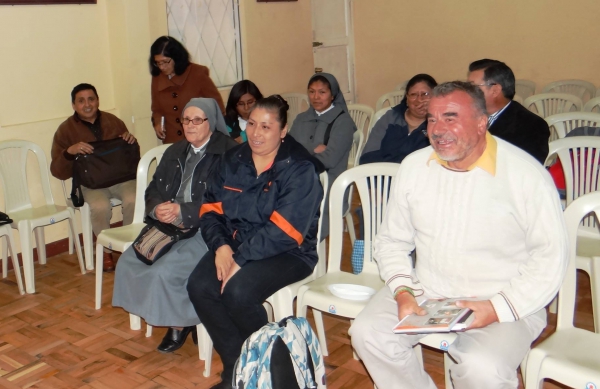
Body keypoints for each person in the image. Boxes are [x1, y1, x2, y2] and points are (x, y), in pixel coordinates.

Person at [349, 81, 568, 389]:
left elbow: (550, 260)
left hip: (504, 298)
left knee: (483, 368)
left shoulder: (525, 176)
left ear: (482, 123)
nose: (438, 129)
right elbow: (391, 242)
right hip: (428, 291)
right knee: (368, 333)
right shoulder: (414, 167)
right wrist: (403, 291)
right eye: (432, 119)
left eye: (450, 117)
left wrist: (495, 308)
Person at [187, 95, 324, 389]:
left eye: (266, 126)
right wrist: (222, 248)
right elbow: (210, 209)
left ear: (283, 131)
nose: (256, 133)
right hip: (236, 245)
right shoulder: (232, 160)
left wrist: (238, 259)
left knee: (237, 293)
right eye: (251, 124)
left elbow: (286, 231)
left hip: (289, 251)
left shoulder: (299, 167)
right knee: (199, 286)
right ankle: (238, 369)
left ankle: (277, 368)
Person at [112, 98, 237, 353]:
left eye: (197, 120)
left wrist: (184, 210)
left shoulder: (229, 153)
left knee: (165, 271)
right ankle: (166, 312)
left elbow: (229, 201)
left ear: (211, 122)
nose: (189, 126)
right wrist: (157, 207)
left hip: (209, 228)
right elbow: (154, 188)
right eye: (185, 120)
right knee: (128, 262)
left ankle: (178, 324)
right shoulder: (175, 151)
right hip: (170, 226)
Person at [50, 83, 138, 272]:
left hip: (120, 178)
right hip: (90, 183)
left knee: (134, 199)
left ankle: (127, 245)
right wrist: (69, 152)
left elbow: (129, 157)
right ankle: (105, 250)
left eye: (91, 99)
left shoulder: (113, 121)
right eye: (81, 101)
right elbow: (57, 171)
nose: (87, 104)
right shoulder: (65, 130)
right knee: (100, 206)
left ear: (98, 100)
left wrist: (130, 140)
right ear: (74, 105)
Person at [290, 72, 355, 237]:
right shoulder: (301, 118)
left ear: (332, 95)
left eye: (322, 92)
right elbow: (288, 149)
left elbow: (330, 159)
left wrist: (299, 160)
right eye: (311, 92)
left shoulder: (343, 122)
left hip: (330, 185)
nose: (316, 97)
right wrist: (312, 148)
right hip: (298, 180)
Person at [467, 59, 550, 164]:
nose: (467, 92)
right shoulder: (467, 116)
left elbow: (527, 169)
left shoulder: (532, 126)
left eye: (472, 87)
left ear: (495, 90)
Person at [150, 36, 225, 144]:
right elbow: (156, 109)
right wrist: (157, 123)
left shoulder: (197, 73)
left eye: (166, 62)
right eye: (158, 63)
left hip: (200, 140)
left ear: (176, 58)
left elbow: (218, 108)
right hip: (172, 142)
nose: (162, 67)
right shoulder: (157, 78)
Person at [360, 74, 437, 164]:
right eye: (413, 95)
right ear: (407, 99)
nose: (419, 99)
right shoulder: (390, 118)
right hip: (382, 175)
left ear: (435, 97)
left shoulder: (438, 124)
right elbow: (367, 156)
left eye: (425, 94)